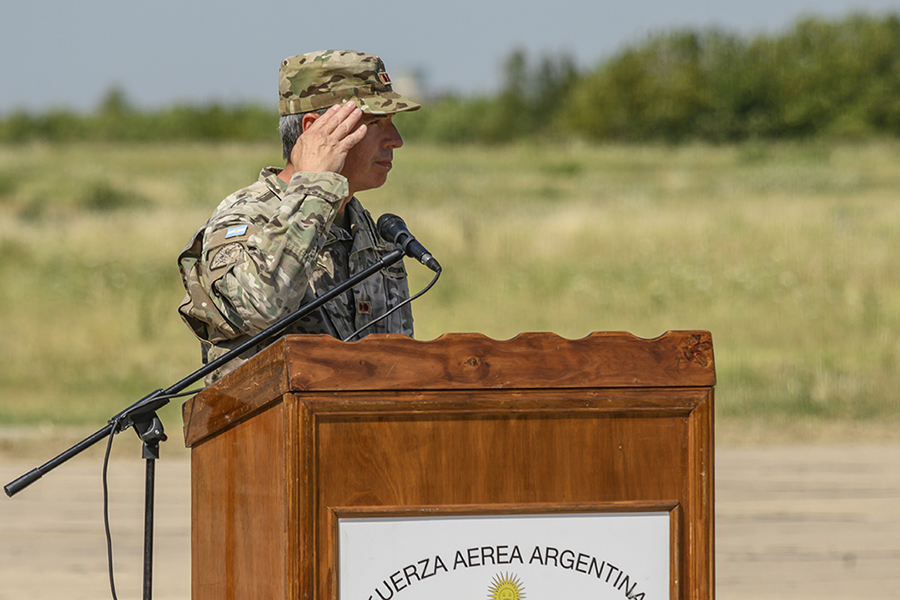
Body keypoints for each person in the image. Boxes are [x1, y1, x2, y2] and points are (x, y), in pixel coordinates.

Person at [177, 50, 421, 384]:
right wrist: (316, 187)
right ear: (316, 130)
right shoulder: (246, 217)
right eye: (376, 123)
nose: (396, 140)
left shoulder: (370, 231)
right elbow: (261, 309)